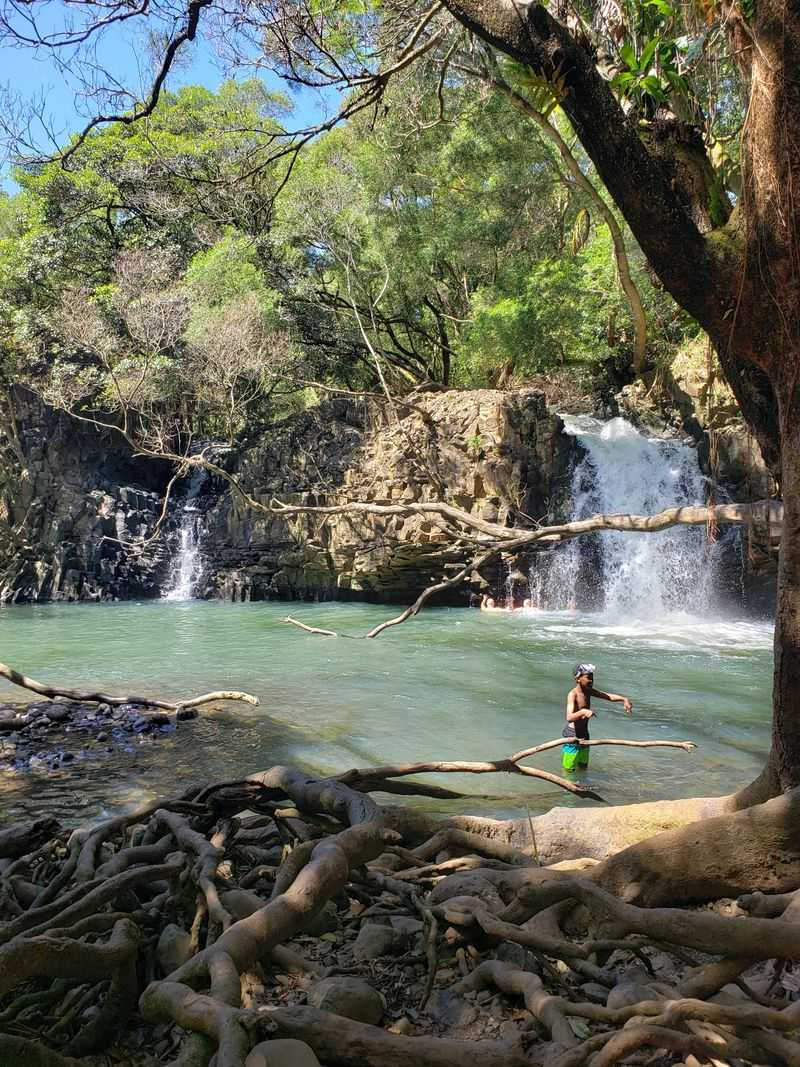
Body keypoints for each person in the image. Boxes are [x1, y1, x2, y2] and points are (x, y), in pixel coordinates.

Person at [562, 662, 633, 772]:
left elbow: (608, 696)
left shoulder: (589, 691)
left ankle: (583, 785)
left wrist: (624, 699)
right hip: (572, 735)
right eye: (588, 678)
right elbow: (569, 717)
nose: (591, 681)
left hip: (585, 734)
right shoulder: (573, 694)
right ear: (578, 679)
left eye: (592, 678)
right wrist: (583, 712)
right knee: (569, 769)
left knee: (583, 766)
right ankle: (568, 787)